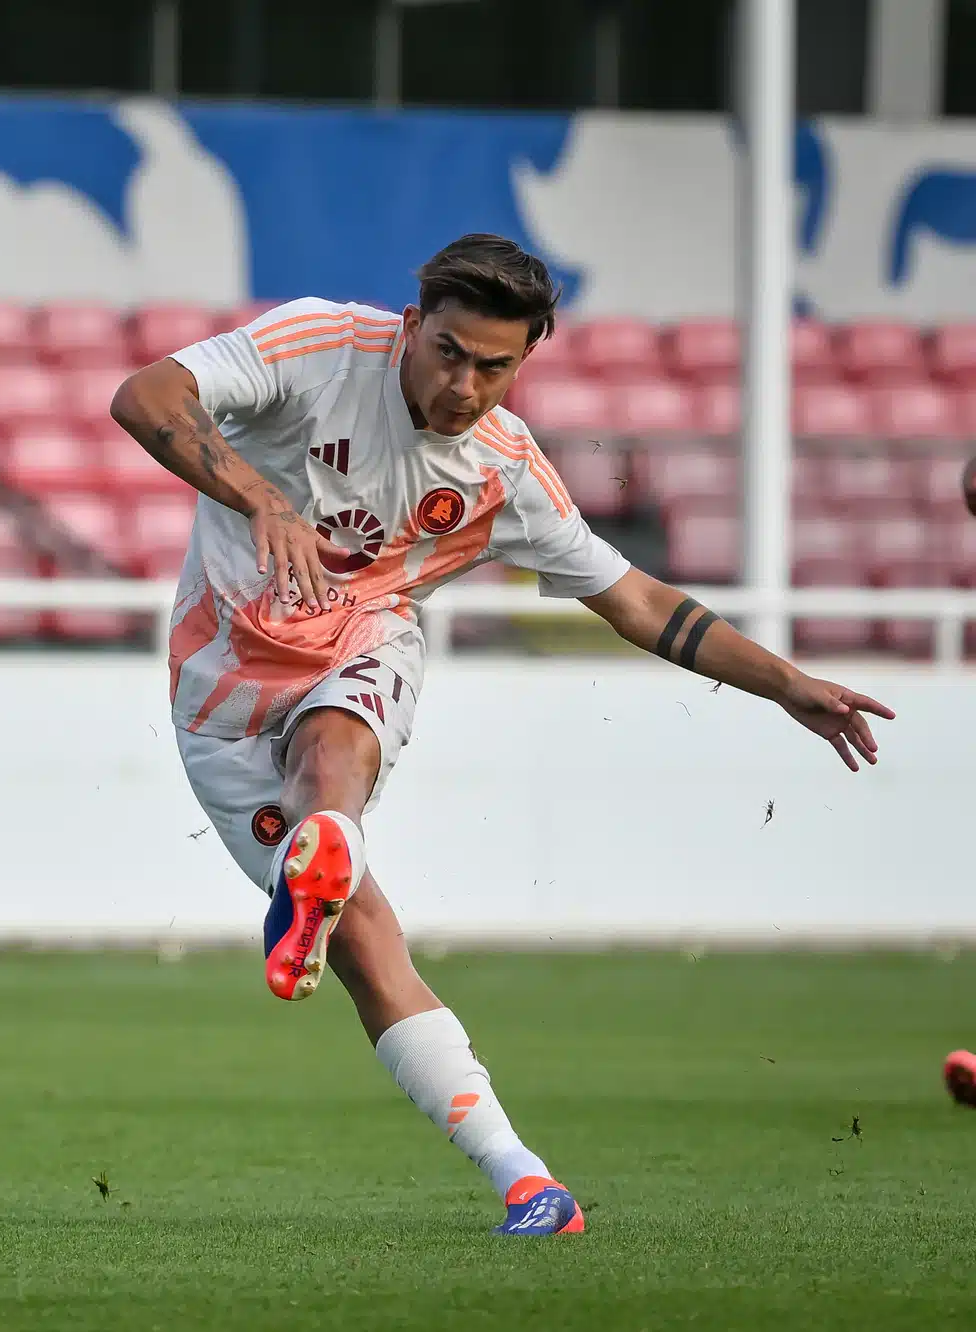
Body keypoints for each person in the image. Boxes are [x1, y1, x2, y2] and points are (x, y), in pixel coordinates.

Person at [110, 233, 894, 1237]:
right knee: (364, 950)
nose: (463, 384)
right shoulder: (315, 347)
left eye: (494, 365)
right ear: (410, 327)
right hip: (216, 691)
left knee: (337, 734)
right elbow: (144, 395)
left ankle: (527, 1181)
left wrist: (784, 683)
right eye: (447, 352)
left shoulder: (502, 470)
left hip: (359, 637)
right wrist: (261, 495)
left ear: (523, 361)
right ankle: (329, 875)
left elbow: (640, 603)